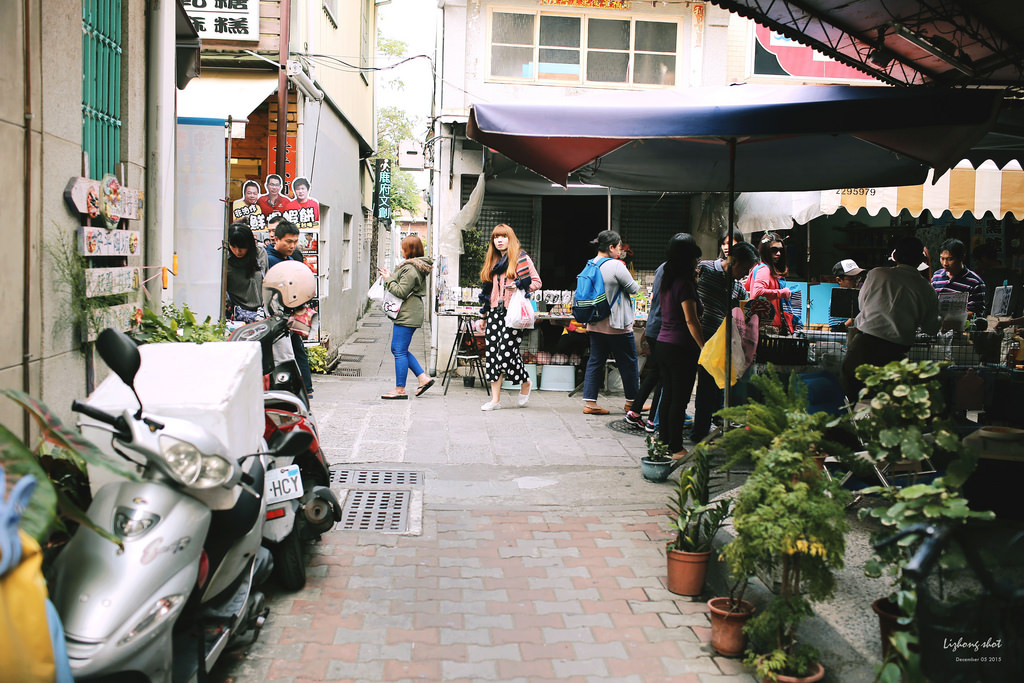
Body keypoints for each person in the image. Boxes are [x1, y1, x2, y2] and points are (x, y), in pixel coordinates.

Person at [842, 236, 940, 401]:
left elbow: (862, 305)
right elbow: (931, 328)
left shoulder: (876, 274)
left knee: (854, 404)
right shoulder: (926, 289)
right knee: (885, 408)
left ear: (895, 256)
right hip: (893, 356)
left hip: (861, 347)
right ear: (922, 260)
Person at [689, 240, 759, 443]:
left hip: (719, 346)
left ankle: (707, 429)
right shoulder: (704, 269)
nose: (746, 274)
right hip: (696, 339)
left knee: (713, 388)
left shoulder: (739, 288)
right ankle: (698, 433)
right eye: (745, 268)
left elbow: (741, 314)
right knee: (699, 391)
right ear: (733, 260)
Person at [478, 223, 542, 411]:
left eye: (503, 236)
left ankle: (525, 382)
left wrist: (520, 286)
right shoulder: (493, 261)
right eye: (496, 237)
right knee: (492, 356)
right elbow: (487, 291)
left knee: (504, 355)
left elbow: (537, 282)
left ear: (510, 238)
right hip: (494, 314)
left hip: (512, 313)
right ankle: (495, 400)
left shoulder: (521, 258)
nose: (499, 240)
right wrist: (483, 315)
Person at [581, 230, 641, 416]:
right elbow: (634, 289)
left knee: (595, 361)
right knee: (628, 362)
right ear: (611, 247)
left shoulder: (590, 264)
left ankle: (590, 403)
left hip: (595, 323)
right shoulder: (616, 265)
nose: (621, 250)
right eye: (619, 246)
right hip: (617, 325)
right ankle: (632, 402)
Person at [656, 233, 704, 459]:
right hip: (681, 348)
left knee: (668, 395)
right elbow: (691, 320)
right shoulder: (684, 285)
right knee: (680, 399)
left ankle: (663, 440)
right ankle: (675, 447)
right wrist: (704, 347)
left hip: (664, 345)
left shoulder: (667, 281)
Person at [378, 235, 435, 400]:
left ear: (409, 250)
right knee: (398, 349)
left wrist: (388, 279)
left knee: (399, 350)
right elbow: (404, 284)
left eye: (403, 247)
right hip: (408, 312)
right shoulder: (413, 267)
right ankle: (423, 378)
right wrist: (390, 276)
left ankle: (400, 389)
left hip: (407, 314)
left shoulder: (410, 268)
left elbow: (401, 291)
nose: (401, 250)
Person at [265, 219, 314, 397]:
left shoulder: (292, 258)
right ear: (276, 239)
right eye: (288, 241)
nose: (292, 245)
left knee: (297, 351)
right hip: (275, 317)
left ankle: (305, 389)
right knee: (283, 355)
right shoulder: (268, 260)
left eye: (295, 241)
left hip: (292, 315)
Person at [746, 232, 794, 333]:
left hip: (763, 324)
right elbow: (757, 292)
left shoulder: (758, 268)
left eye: (780, 250)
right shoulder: (764, 269)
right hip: (766, 327)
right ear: (765, 250)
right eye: (774, 250)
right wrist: (782, 293)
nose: (778, 254)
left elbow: (746, 287)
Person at [930, 238, 987, 318]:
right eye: (942, 258)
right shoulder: (937, 276)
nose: (945, 263)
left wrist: (952, 317)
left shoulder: (975, 282)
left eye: (950, 259)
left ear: (962, 257)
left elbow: (976, 313)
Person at [225, 222, 268, 323]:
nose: (238, 251)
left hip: (262, 313)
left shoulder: (260, 254)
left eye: (242, 246)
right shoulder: (225, 260)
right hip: (237, 317)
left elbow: (266, 279)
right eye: (233, 246)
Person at [828, 259, 866, 331]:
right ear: (839, 280)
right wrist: (857, 316)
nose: (856, 282)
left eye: (857, 278)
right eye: (851, 279)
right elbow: (836, 329)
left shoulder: (858, 295)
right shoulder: (838, 299)